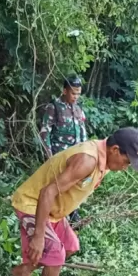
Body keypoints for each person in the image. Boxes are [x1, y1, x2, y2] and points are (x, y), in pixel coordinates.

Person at [11, 127, 138, 276]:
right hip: (33, 203)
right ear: (115, 149)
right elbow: (47, 192)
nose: (126, 167)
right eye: (127, 161)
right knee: (56, 253)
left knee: (71, 246)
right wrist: (39, 236)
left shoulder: (103, 160)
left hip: (53, 211)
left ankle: (23, 271)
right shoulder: (87, 160)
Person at [39, 76, 89, 223]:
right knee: (58, 187)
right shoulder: (54, 107)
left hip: (76, 157)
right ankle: (57, 217)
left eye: (78, 94)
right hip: (59, 156)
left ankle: (73, 215)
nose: (76, 97)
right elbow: (44, 133)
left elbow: (83, 132)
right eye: (73, 93)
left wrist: (85, 153)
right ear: (64, 91)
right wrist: (49, 156)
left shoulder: (78, 109)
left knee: (74, 186)